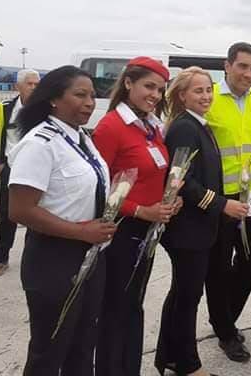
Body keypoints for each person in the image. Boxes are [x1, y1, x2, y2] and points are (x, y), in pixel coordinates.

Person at [7, 66, 113, 375]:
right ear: (54, 98)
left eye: (93, 95)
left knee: (82, 347)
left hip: (91, 256)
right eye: (80, 95)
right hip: (54, 260)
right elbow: (20, 210)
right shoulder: (40, 143)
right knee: (49, 352)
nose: (90, 102)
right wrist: (82, 231)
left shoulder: (81, 138)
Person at [93, 57, 181, 376]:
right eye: (148, 86)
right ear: (128, 83)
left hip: (147, 229)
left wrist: (171, 198)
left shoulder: (151, 126)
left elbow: (152, 174)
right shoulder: (111, 126)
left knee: (133, 306)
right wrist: (142, 209)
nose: (155, 94)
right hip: (122, 229)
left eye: (160, 89)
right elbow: (99, 188)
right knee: (116, 309)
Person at [154, 67, 245, 376]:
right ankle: (188, 366)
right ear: (182, 95)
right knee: (188, 297)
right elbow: (183, 181)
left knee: (183, 293)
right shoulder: (184, 128)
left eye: (208, 90)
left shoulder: (197, 125)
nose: (206, 96)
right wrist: (221, 205)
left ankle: (168, 356)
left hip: (199, 226)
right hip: (189, 228)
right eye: (198, 91)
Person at [204, 42, 251, 363]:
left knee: (250, 264)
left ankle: (223, 318)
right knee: (217, 267)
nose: (248, 74)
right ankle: (227, 332)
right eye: (243, 66)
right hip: (222, 198)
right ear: (227, 66)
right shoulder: (209, 98)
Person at [0, 68, 40, 277]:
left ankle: (34, 260)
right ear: (18, 87)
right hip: (11, 169)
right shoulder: (4, 109)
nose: (35, 88)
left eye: (37, 84)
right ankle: (0, 259)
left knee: (37, 215)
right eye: (30, 84)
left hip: (37, 170)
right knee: (7, 215)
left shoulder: (46, 111)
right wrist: (0, 163)